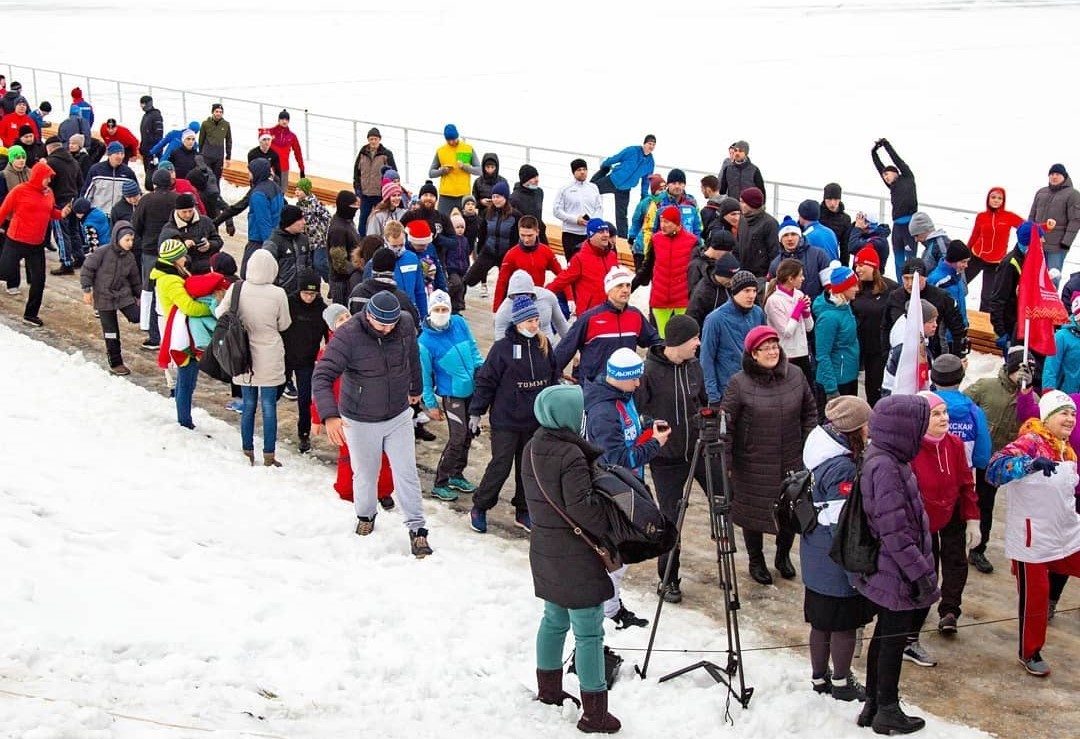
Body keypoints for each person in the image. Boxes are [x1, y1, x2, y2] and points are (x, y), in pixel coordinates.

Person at [523, 384, 623, 734]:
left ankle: (548, 689)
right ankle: (595, 712)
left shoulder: (532, 446)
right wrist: (611, 521)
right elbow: (583, 509)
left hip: (545, 548)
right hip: (575, 554)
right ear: (566, 416)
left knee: (553, 618)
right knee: (589, 630)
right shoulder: (571, 455)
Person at [312, 291, 433, 557]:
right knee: (365, 473)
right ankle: (365, 516)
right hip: (360, 419)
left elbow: (413, 355)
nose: (388, 329)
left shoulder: (404, 324)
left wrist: (416, 387)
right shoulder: (349, 335)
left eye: (391, 324)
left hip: (398, 414)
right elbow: (322, 375)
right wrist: (329, 415)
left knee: (406, 472)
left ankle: (417, 530)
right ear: (369, 316)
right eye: (382, 325)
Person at [853, 394, 937, 735]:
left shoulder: (885, 457)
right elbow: (895, 531)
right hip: (896, 570)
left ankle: (873, 704)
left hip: (890, 569)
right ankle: (887, 708)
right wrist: (921, 574)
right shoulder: (886, 466)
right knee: (892, 640)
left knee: (886, 635)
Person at [986, 390, 1080, 677]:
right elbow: (994, 470)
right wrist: (1027, 464)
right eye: (1063, 413)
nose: (1070, 418)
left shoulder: (1066, 448)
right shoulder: (1031, 441)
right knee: (1036, 595)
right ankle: (1030, 651)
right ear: (1048, 417)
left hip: (1064, 530)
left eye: (1073, 414)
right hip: (1032, 536)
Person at [721, 325, 816, 584]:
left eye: (775, 346)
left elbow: (810, 412)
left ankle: (782, 555)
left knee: (790, 508)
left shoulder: (796, 375)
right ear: (753, 354)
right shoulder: (738, 383)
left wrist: (808, 444)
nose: (773, 351)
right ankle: (756, 559)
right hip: (753, 461)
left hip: (791, 458)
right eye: (766, 348)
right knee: (754, 513)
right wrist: (726, 462)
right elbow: (725, 426)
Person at [800, 396, 874, 702]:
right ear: (854, 429)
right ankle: (842, 682)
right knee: (843, 624)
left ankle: (819, 678)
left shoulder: (819, 451)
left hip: (813, 554)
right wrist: (853, 571)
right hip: (834, 560)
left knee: (820, 623)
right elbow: (841, 525)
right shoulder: (842, 468)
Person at [634, 315, 709, 602]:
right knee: (670, 519)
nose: (698, 343)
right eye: (694, 338)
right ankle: (668, 578)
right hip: (666, 459)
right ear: (678, 342)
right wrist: (652, 424)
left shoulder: (694, 365)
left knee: (723, 501)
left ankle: (726, 566)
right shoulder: (649, 371)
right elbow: (639, 412)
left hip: (698, 450)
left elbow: (702, 400)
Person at [468, 296, 558, 534]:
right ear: (517, 322)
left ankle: (523, 509)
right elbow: (486, 381)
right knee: (501, 465)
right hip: (506, 421)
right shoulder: (502, 349)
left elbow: (552, 380)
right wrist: (476, 411)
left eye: (536, 320)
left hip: (534, 421)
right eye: (529, 320)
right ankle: (480, 506)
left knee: (527, 468)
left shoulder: (543, 345)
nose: (534, 325)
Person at [903, 392, 975, 669]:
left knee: (944, 573)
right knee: (922, 582)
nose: (945, 418)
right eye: (936, 414)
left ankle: (914, 634)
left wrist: (973, 519)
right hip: (918, 527)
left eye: (945, 413)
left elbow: (967, 483)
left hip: (948, 516)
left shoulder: (954, 444)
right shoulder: (910, 448)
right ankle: (905, 639)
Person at [312, 304, 396, 509]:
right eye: (340, 319)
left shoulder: (369, 342)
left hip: (373, 408)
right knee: (349, 455)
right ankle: (348, 491)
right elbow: (320, 387)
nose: (346, 321)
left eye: (347, 316)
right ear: (332, 327)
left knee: (381, 452)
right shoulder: (328, 353)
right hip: (344, 414)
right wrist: (317, 417)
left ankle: (383, 490)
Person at [216, 249, 291, 465]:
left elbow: (220, 313)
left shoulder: (237, 288)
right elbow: (284, 324)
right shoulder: (278, 294)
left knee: (248, 404)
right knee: (269, 406)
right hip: (269, 353)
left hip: (242, 353)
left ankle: (247, 451)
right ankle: (269, 455)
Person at [964, 347, 1029, 575]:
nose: (1025, 374)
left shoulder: (1028, 397)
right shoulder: (986, 386)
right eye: (1022, 369)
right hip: (972, 454)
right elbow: (963, 406)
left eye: (1030, 370)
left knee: (986, 503)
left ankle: (978, 548)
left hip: (996, 461)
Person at [419, 290, 484, 501]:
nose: (441, 313)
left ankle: (457, 474)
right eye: (437, 310)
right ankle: (441, 481)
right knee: (457, 436)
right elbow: (425, 377)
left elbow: (473, 347)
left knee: (468, 433)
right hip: (451, 394)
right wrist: (431, 404)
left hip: (471, 389)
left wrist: (480, 368)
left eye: (444, 309)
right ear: (430, 312)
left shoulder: (458, 323)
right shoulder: (425, 342)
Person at [554, 266, 661, 383]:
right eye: (619, 286)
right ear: (609, 290)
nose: (625, 290)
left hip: (625, 384)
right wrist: (552, 373)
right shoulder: (590, 317)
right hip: (595, 387)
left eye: (628, 285)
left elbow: (654, 340)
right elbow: (566, 348)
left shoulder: (635, 315)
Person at [0, 161, 72, 326]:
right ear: (38, 177)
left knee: (39, 280)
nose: (49, 181)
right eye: (46, 178)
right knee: (4, 272)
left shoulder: (49, 193)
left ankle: (31, 314)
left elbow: (51, 212)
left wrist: (62, 214)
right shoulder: (20, 191)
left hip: (36, 244)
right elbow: (3, 211)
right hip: (16, 240)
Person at [150, 240, 212, 428]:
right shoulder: (171, 280)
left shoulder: (172, 274)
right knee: (186, 378)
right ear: (175, 259)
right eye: (183, 255)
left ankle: (184, 418)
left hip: (183, 330)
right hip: (182, 334)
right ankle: (184, 421)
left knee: (188, 377)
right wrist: (210, 309)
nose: (186, 258)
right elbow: (188, 306)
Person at [79, 219, 140, 374]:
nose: (130, 243)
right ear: (117, 238)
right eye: (127, 239)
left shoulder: (129, 257)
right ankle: (115, 362)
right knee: (111, 331)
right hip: (104, 296)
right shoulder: (103, 252)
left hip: (122, 294)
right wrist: (87, 290)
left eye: (132, 239)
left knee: (137, 316)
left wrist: (139, 295)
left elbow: (134, 278)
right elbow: (87, 269)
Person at [882, 257, 966, 359]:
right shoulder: (895, 297)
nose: (910, 284)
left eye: (914, 278)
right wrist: (886, 354)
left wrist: (958, 357)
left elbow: (958, 329)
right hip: (901, 357)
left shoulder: (941, 297)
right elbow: (886, 327)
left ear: (925, 277)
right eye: (906, 278)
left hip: (933, 356)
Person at [701, 270, 765, 403]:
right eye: (746, 291)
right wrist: (713, 396)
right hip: (728, 390)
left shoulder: (758, 313)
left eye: (754, 290)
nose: (752, 295)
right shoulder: (715, 319)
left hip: (757, 387)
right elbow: (706, 359)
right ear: (735, 291)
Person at [634, 205, 698, 337]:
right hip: (660, 299)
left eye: (667, 222)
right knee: (661, 340)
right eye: (661, 221)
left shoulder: (692, 242)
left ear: (676, 223)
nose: (663, 225)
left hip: (682, 300)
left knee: (682, 339)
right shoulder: (656, 239)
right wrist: (631, 287)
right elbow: (647, 267)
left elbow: (697, 272)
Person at [851, 247, 898, 407]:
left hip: (878, 348)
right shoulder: (854, 287)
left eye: (861, 265)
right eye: (856, 266)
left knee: (875, 389)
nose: (857, 269)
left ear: (873, 266)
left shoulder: (890, 288)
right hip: (857, 346)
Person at [545, 219, 619, 317]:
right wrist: (542, 294)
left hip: (611, 311)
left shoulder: (612, 255)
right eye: (601, 232)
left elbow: (618, 281)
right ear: (591, 236)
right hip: (589, 315)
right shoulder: (579, 258)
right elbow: (562, 280)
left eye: (606, 231)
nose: (606, 235)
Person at [966, 187, 1023, 311]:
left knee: (987, 296)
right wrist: (965, 251)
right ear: (988, 199)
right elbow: (974, 235)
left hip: (995, 263)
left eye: (999, 198)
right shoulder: (981, 216)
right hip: (977, 257)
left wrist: (1046, 227)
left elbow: (1027, 227)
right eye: (993, 197)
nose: (996, 200)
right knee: (961, 283)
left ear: (1003, 201)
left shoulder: (1009, 216)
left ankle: (983, 323)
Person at [491, 215, 566, 309]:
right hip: (517, 302)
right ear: (518, 232)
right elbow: (501, 283)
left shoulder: (546, 252)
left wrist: (570, 298)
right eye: (522, 235)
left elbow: (563, 276)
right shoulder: (511, 254)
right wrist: (496, 309)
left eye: (530, 235)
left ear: (537, 232)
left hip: (537, 299)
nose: (526, 240)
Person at [871, 138, 918, 281]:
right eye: (883, 176)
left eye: (887, 174)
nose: (885, 177)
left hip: (910, 225)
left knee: (910, 260)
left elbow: (897, 160)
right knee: (898, 260)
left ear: (895, 172)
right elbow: (879, 167)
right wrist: (873, 153)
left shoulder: (908, 177)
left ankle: (913, 285)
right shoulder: (892, 187)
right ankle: (900, 285)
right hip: (897, 226)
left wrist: (886, 145)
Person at [593, 134, 656, 239]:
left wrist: (644, 195)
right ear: (644, 143)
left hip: (625, 189)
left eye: (653, 145)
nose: (651, 146)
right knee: (591, 190)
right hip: (612, 180)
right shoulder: (632, 151)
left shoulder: (650, 162)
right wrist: (605, 164)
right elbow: (618, 157)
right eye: (649, 143)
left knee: (621, 215)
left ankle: (622, 239)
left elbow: (646, 180)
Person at [463, 181, 522, 294]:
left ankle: (505, 308)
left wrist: (515, 257)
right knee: (468, 279)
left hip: (506, 255)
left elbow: (517, 239)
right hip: (488, 251)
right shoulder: (487, 213)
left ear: (505, 197)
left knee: (506, 285)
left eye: (498, 197)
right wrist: (480, 253)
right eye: (493, 197)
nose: (495, 200)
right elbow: (482, 234)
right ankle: (457, 303)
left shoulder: (515, 216)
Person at [814, 266, 861, 403]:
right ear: (843, 288)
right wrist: (831, 389)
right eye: (853, 286)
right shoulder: (828, 318)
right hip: (836, 382)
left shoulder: (845, 306)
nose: (857, 289)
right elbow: (823, 355)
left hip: (849, 376)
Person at [764, 257, 814, 383]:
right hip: (787, 355)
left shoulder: (799, 294)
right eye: (800, 276)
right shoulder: (774, 301)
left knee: (808, 391)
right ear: (790, 279)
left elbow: (809, 327)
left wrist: (806, 311)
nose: (803, 279)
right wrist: (797, 310)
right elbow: (786, 332)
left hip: (802, 352)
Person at [1028, 163, 1080, 275]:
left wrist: (1066, 242)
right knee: (1035, 276)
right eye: (1051, 174)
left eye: (1057, 174)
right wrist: (1028, 235)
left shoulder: (1073, 194)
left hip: (1057, 247)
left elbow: (1075, 220)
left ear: (1064, 176)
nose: (1054, 176)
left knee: (1052, 278)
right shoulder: (1041, 192)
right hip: (1038, 244)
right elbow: (1032, 216)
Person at [494, 270, 569, 342]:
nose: (521, 299)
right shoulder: (503, 312)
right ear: (511, 296)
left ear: (532, 293)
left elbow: (561, 324)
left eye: (525, 295)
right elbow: (500, 343)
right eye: (517, 296)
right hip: (521, 350)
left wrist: (571, 346)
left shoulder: (548, 297)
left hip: (548, 348)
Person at [159, 192, 222, 275]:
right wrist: (183, 246)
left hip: (206, 269)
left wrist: (209, 245)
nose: (188, 215)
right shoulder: (169, 228)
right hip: (184, 272)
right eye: (184, 212)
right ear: (177, 210)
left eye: (190, 211)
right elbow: (163, 252)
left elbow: (218, 241)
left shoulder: (206, 221)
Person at [768, 216, 831, 300]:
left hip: (817, 308)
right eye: (785, 235)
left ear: (799, 236)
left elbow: (829, 285)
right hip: (790, 310)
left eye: (793, 234)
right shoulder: (775, 264)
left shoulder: (818, 255)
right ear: (780, 239)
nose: (790, 239)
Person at [552, 157, 602, 261]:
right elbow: (556, 211)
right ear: (573, 172)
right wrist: (575, 220)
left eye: (584, 169)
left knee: (590, 264)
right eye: (579, 170)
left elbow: (599, 207)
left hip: (589, 234)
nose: (582, 172)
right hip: (571, 233)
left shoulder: (593, 188)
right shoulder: (565, 189)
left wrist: (593, 221)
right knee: (572, 264)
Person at [241, 158, 284, 276]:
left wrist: (269, 248)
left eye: (250, 172)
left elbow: (264, 223)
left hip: (259, 240)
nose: (248, 175)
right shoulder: (275, 187)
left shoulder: (258, 194)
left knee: (246, 273)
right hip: (276, 236)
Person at [352, 127, 397, 235]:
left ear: (379, 139)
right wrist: (358, 191)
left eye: (375, 139)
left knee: (382, 220)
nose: (373, 141)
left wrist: (388, 191)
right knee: (363, 220)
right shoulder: (362, 153)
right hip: (365, 194)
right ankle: (362, 242)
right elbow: (356, 173)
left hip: (380, 195)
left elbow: (394, 173)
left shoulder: (386, 154)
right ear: (368, 140)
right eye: (371, 139)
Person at [428, 123, 480, 215]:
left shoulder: (468, 148)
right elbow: (431, 173)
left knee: (465, 223)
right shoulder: (441, 151)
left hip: (464, 194)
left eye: (454, 139)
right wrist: (442, 171)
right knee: (443, 221)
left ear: (457, 136)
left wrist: (465, 167)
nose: (452, 142)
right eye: (449, 140)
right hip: (446, 194)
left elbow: (479, 171)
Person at [734, 187, 778, 280]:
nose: (739, 204)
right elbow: (737, 247)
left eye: (742, 202)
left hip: (761, 277)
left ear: (751, 204)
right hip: (742, 274)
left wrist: (769, 277)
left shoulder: (770, 223)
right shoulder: (742, 220)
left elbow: (775, 253)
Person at [326, 190, 362, 306]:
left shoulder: (347, 221)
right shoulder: (338, 230)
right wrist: (358, 266)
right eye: (353, 206)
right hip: (341, 283)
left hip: (349, 278)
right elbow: (340, 264)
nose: (356, 209)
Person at [82, 142, 138, 214]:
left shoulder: (128, 172)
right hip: (99, 214)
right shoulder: (96, 170)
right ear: (109, 155)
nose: (120, 157)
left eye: (122, 154)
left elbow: (136, 194)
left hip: (120, 215)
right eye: (117, 153)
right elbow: (86, 193)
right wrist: (85, 211)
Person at [686, 251, 739, 328]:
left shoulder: (735, 284)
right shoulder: (703, 292)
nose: (732, 281)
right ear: (719, 274)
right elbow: (693, 316)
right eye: (729, 278)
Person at [927, 240, 971, 331]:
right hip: (946, 336)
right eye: (963, 262)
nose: (966, 265)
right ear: (953, 260)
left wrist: (964, 323)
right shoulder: (936, 280)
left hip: (958, 330)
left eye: (967, 262)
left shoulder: (956, 273)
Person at [294, 178, 331, 284]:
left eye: (299, 190)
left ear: (305, 191)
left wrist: (323, 230)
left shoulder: (312, 204)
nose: (296, 192)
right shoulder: (301, 204)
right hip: (309, 240)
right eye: (296, 189)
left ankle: (332, 282)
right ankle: (315, 285)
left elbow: (308, 220)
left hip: (319, 240)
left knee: (319, 263)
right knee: (311, 266)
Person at [510, 163, 546, 245]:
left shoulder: (539, 192)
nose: (537, 180)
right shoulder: (514, 198)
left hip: (539, 234)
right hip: (524, 238)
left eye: (537, 176)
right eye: (533, 178)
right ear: (525, 180)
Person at [819, 183, 853, 265]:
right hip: (813, 257)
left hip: (832, 259)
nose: (832, 203)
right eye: (829, 199)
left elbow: (845, 247)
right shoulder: (816, 214)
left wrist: (844, 267)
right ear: (824, 199)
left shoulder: (845, 219)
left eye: (836, 199)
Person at [197, 104, 232, 183]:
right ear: (212, 112)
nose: (218, 113)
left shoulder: (226, 124)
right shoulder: (205, 124)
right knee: (205, 177)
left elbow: (228, 140)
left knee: (217, 178)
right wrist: (200, 153)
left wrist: (228, 156)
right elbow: (201, 139)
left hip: (218, 156)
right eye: (216, 111)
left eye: (220, 112)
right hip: (207, 155)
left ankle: (216, 194)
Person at [268, 110, 304, 186]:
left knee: (282, 191)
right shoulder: (270, 132)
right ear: (278, 120)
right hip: (270, 167)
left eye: (286, 119)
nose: (284, 121)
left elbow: (298, 153)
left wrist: (302, 169)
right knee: (269, 191)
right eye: (282, 119)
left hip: (284, 168)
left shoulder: (292, 136)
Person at [138, 95, 164, 191]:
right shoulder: (146, 116)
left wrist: (155, 150)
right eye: (141, 104)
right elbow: (144, 134)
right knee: (147, 173)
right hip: (146, 151)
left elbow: (159, 134)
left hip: (154, 152)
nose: (142, 106)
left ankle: (156, 192)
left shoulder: (156, 115)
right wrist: (142, 146)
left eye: (143, 104)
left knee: (153, 175)